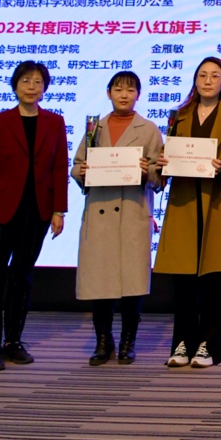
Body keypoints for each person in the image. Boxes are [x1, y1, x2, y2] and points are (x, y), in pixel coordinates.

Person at [154, 57, 221, 369]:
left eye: (215, 76)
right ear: (195, 80)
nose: (208, 81)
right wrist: (162, 163)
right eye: (202, 75)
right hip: (184, 202)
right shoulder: (179, 115)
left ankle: (210, 346)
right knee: (183, 280)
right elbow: (169, 152)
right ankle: (182, 343)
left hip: (218, 202)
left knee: (214, 281)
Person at [0, 60, 68, 371]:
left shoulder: (55, 122)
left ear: (45, 88)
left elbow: (59, 169)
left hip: (37, 211)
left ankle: (14, 341)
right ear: (15, 86)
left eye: (38, 81)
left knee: (22, 278)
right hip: (1, 213)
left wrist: (58, 210)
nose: (31, 86)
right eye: (26, 80)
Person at [71, 70, 163, 366]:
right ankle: (103, 341)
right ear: (108, 93)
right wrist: (82, 172)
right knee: (101, 282)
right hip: (99, 213)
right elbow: (77, 165)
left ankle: (127, 342)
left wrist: (147, 171)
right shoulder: (94, 128)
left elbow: (161, 176)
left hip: (132, 212)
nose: (124, 95)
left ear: (138, 95)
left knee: (132, 283)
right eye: (119, 89)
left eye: (130, 90)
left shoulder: (149, 129)